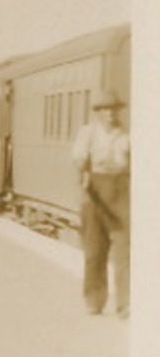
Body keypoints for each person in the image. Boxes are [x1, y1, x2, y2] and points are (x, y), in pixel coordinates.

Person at [71, 89, 129, 319]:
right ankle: (94, 299)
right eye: (105, 110)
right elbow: (78, 158)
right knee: (95, 250)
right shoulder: (88, 133)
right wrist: (82, 173)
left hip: (121, 191)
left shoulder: (126, 134)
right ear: (98, 112)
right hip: (95, 191)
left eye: (114, 110)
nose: (110, 114)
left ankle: (125, 303)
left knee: (125, 250)